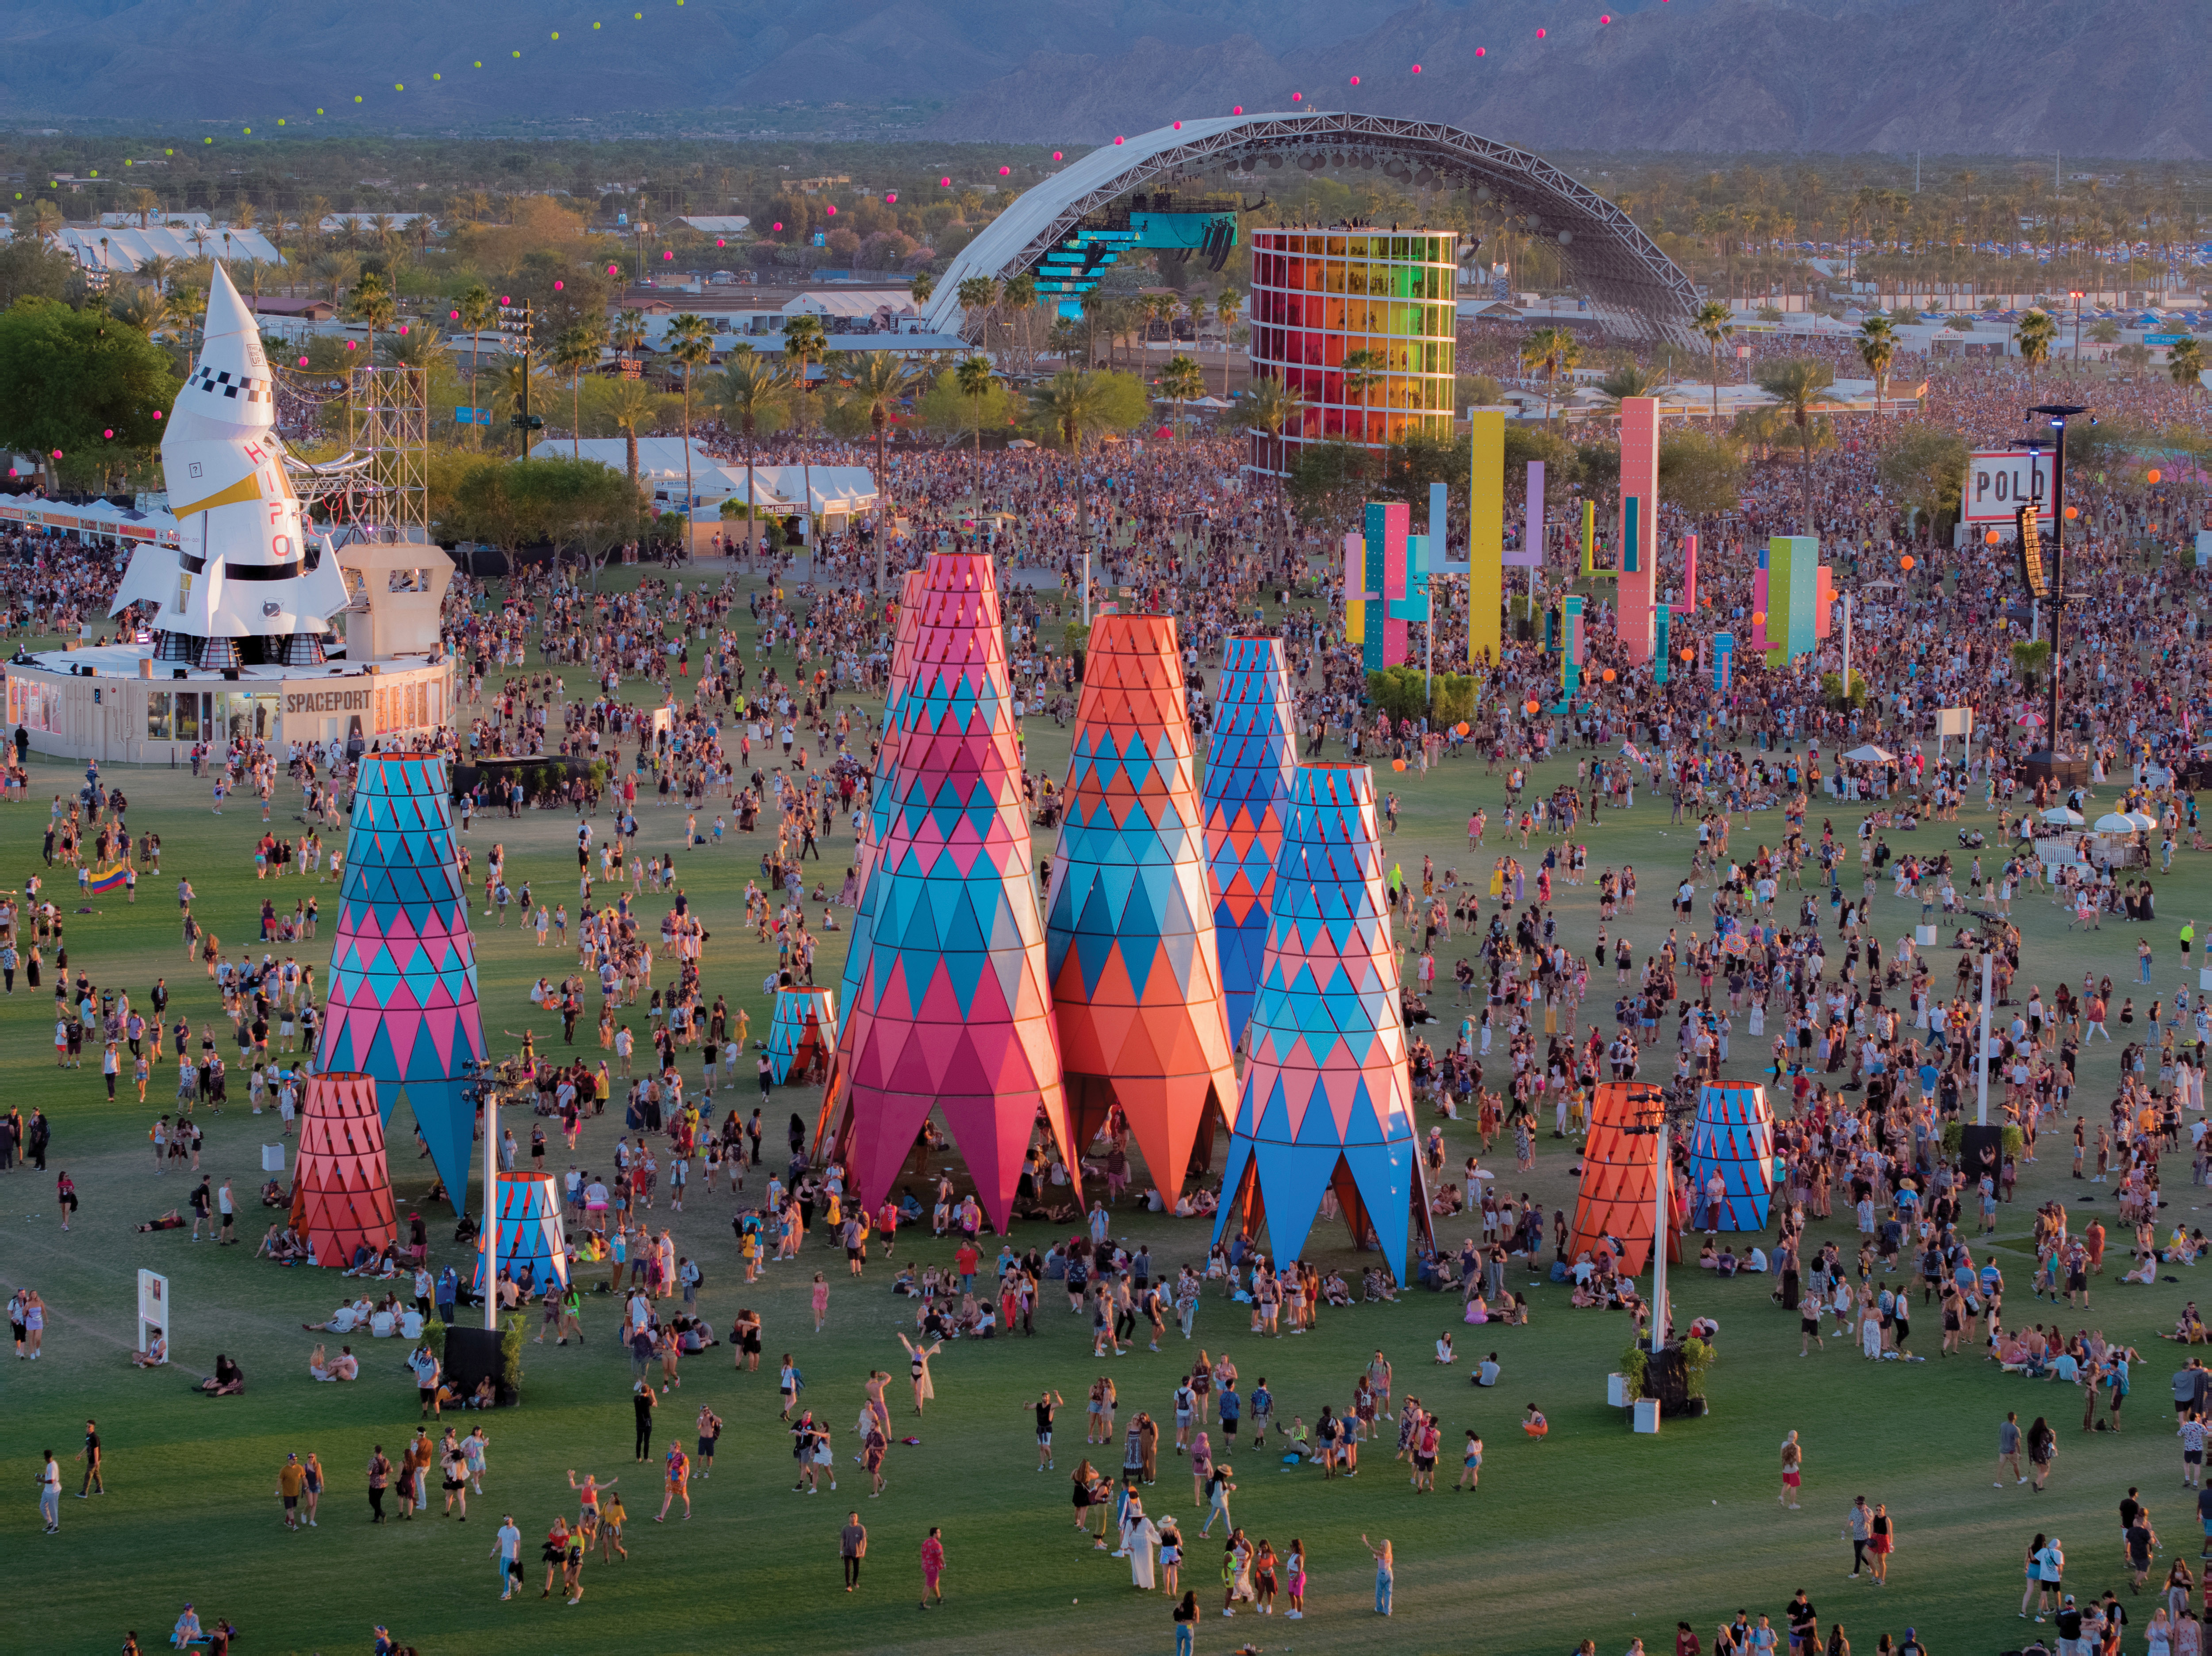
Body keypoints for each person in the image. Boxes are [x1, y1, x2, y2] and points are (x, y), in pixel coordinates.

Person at [1362, 1532, 1393, 1616]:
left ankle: (1379, 1608)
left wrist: (1365, 1541)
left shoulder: (1381, 1554)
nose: (1380, 1546)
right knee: (1388, 1593)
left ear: (1384, 1546)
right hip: (1390, 1574)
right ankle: (1387, 1611)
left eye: (1381, 1545)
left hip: (1382, 1574)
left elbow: (1371, 1549)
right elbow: (1389, 1563)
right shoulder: (1390, 1554)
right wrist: (1377, 1559)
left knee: (1379, 1592)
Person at [493, 1513, 523, 1599]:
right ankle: (516, 1581)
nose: (506, 1520)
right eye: (505, 1518)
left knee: (506, 1574)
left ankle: (507, 1593)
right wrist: (493, 1551)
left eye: (507, 1518)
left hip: (511, 1556)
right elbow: (499, 1541)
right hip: (504, 1555)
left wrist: (517, 1558)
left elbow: (518, 1545)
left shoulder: (515, 1531)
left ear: (512, 1520)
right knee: (502, 1573)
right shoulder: (502, 1530)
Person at [919, 1525, 945, 1609]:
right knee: (928, 1585)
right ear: (935, 1534)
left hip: (926, 1566)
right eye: (939, 1532)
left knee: (935, 1581)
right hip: (932, 1568)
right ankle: (922, 1604)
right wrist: (944, 1565)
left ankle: (939, 1598)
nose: (940, 1534)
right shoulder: (937, 1544)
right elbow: (941, 1557)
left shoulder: (926, 1542)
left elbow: (923, 1553)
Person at [840, 1510, 868, 1591]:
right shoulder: (845, 1529)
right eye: (851, 1517)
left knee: (856, 1568)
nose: (853, 1518)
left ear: (857, 1518)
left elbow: (864, 1540)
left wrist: (863, 1551)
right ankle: (848, 1585)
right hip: (848, 1552)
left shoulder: (861, 1528)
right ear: (849, 1518)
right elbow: (842, 1540)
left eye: (855, 1516)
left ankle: (855, 1582)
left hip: (857, 1552)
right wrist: (841, 1551)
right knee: (847, 1568)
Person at [37, 1448, 60, 1533]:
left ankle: (55, 1527)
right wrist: (42, 1476)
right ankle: (50, 1523)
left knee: (53, 1509)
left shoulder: (52, 1466)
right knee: (42, 1507)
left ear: (46, 1458)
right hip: (47, 1490)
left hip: (53, 1491)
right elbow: (49, 1475)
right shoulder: (50, 1464)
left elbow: (52, 1481)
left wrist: (41, 1481)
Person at [1780, 1430, 1803, 1508]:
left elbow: (1782, 1455)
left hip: (1785, 1469)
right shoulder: (1796, 1447)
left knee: (1786, 1484)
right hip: (1793, 1470)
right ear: (1796, 1438)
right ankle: (1792, 1504)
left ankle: (1781, 1497)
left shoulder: (1783, 1444)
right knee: (1793, 1487)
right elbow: (1798, 1460)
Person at [1174, 1588, 1199, 1656]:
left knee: (1179, 1647)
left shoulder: (1180, 1605)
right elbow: (1197, 1621)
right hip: (1189, 1628)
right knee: (1189, 1648)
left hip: (1180, 1627)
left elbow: (1175, 1615)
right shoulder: (1195, 1608)